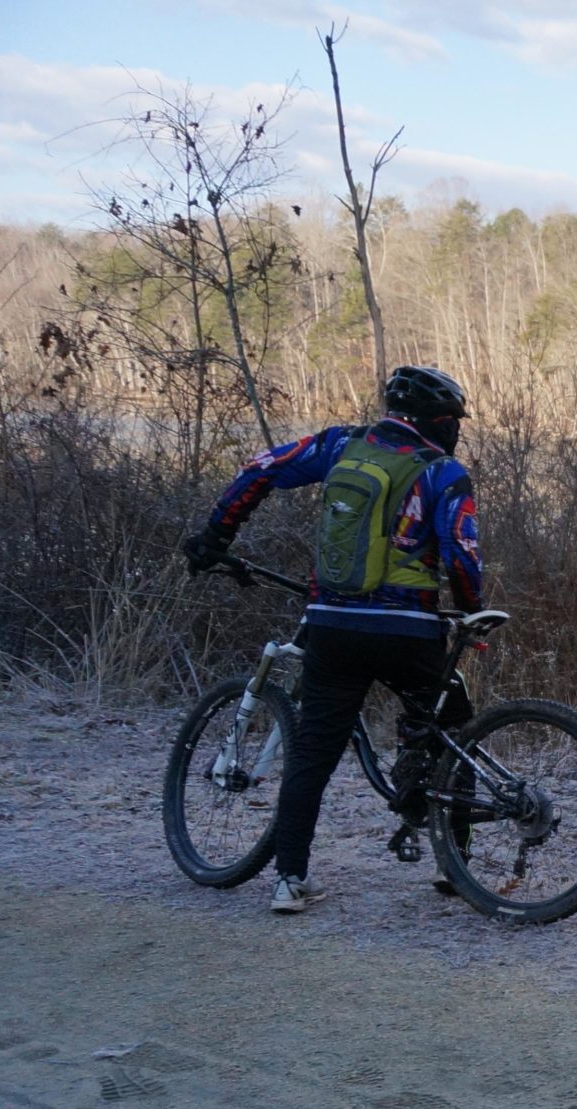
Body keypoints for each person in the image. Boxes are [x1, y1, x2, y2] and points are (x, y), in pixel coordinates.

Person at [182, 365, 482, 914]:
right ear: (436, 422)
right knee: (451, 722)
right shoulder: (443, 473)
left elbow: (261, 469)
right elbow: (461, 555)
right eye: (452, 421)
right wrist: (470, 610)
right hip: (408, 630)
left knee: (313, 752)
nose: (455, 431)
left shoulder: (341, 445)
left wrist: (216, 535)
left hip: (332, 623)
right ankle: (454, 863)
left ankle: (289, 880)